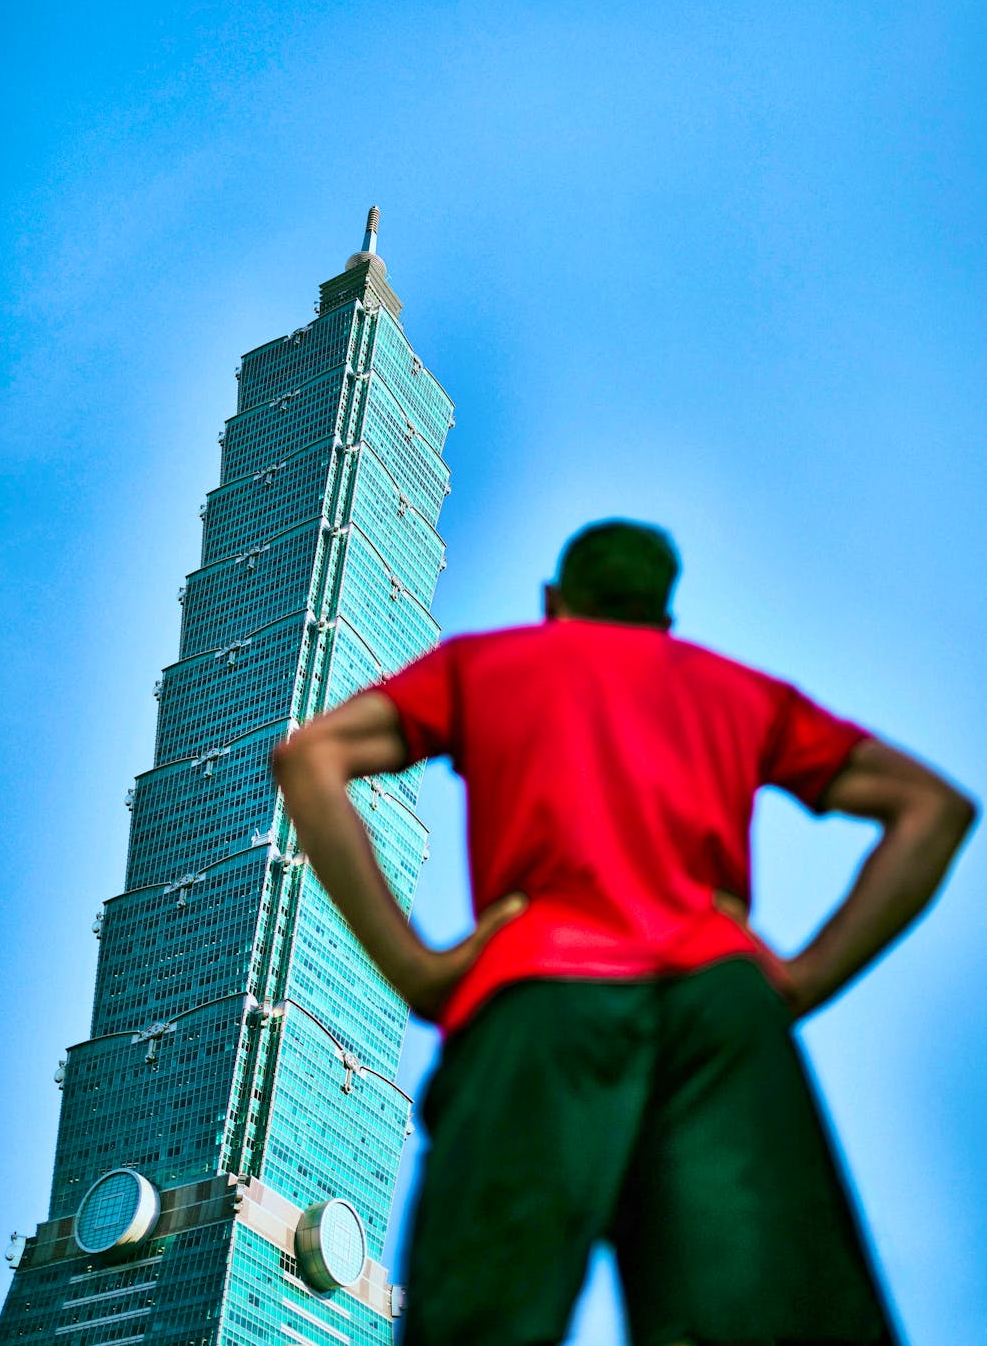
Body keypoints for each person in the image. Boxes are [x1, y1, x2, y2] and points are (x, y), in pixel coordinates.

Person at [272, 519, 976, 1346]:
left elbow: (311, 758)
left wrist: (418, 969)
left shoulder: (487, 664)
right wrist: (800, 978)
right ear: (665, 618)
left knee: (482, 1318)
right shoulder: (741, 690)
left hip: (538, 1002)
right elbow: (935, 808)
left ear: (553, 602)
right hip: (722, 1013)